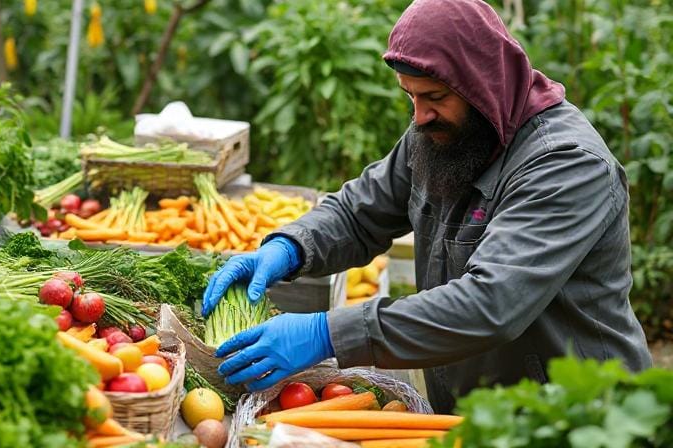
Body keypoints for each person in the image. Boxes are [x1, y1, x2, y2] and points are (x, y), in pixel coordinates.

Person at [201, 0, 653, 413]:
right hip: (481, 411)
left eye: (435, 97)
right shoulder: (446, 133)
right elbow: (360, 211)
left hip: (575, 415)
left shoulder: (567, 166)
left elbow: (489, 305)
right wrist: (290, 248)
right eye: (411, 95)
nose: (419, 116)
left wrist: (327, 333)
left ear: (482, 85)